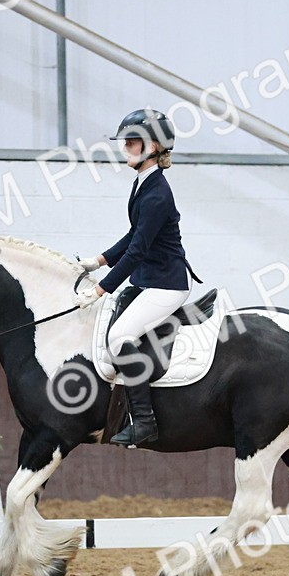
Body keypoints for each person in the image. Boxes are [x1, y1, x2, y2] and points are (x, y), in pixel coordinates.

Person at [74, 109, 198, 447]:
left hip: (168, 284)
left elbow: (138, 251)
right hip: (149, 279)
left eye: (133, 141)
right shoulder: (143, 184)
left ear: (154, 146)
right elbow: (134, 235)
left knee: (119, 337)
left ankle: (144, 422)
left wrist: (101, 288)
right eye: (125, 142)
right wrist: (96, 261)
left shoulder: (157, 193)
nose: (126, 147)